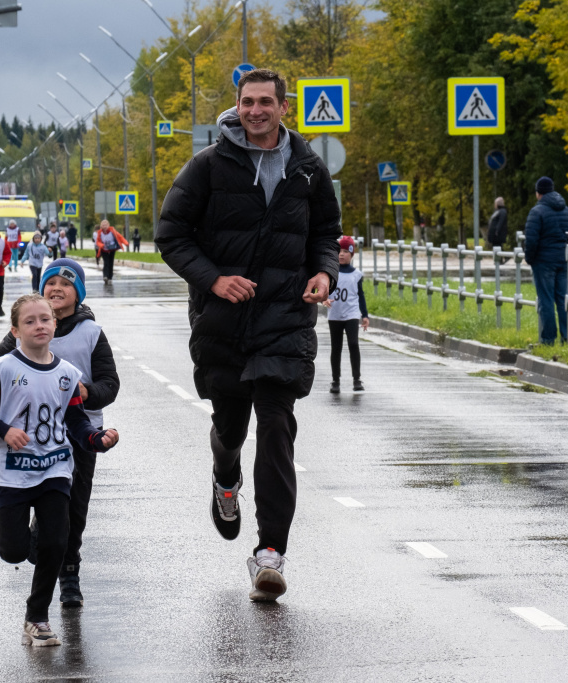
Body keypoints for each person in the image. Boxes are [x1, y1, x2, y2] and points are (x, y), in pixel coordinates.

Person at [156, 67, 340, 602]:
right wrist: (214, 278)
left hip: (285, 319)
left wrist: (324, 272)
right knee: (232, 425)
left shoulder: (307, 169)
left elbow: (326, 232)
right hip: (224, 322)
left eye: (265, 101)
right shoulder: (208, 166)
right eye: (246, 102)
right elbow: (171, 233)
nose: (254, 110)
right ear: (236, 106)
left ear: (285, 107)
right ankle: (224, 474)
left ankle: (270, 553)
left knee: (278, 425)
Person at [0, 294, 119, 647]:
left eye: (45, 319)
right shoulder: (3, 369)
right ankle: (25, 541)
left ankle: (37, 618)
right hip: (13, 473)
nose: (39, 326)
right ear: (15, 330)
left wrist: (97, 439)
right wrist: (3, 430)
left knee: (56, 545)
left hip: (55, 470)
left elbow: (76, 421)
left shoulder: (67, 374)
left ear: (55, 324)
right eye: (29, 321)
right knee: (14, 551)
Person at [0, 259, 120, 609]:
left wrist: (86, 392)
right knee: (31, 502)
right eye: (51, 283)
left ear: (78, 292)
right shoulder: (27, 327)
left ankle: (69, 572)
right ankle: (26, 535)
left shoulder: (91, 333)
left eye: (66, 283)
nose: (57, 288)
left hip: (79, 434)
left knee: (74, 509)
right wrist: (5, 420)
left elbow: (110, 384)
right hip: (30, 438)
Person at [524, 176, 568, 345]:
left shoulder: (536, 211)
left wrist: (530, 259)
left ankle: (548, 339)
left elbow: (531, 240)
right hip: (563, 260)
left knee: (546, 300)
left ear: (538, 192)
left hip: (543, 261)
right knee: (563, 299)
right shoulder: (567, 210)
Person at [323, 236, 369, 393]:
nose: (341, 254)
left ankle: (357, 379)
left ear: (351, 254)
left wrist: (365, 315)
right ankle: (335, 381)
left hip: (351, 314)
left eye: (345, 251)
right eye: (339, 251)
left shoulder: (357, 275)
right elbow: (319, 289)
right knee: (336, 348)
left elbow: (360, 295)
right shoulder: (329, 273)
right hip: (335, 315)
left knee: (353, 344)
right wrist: (324, 299)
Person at [95, 220, 128, 285]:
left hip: (112, 249)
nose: (104, 226)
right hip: (104, 250)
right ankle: (105, 276)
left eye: (106, 225)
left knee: (111, 263)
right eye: (103, 225)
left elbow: (119, 237)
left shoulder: (112, 231)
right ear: (101, 226)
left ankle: (110, 277)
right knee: (106, 263)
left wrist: (125, 242)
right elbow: (97, 241)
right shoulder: (100, 233)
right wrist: (101, 245)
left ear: (108, 225)